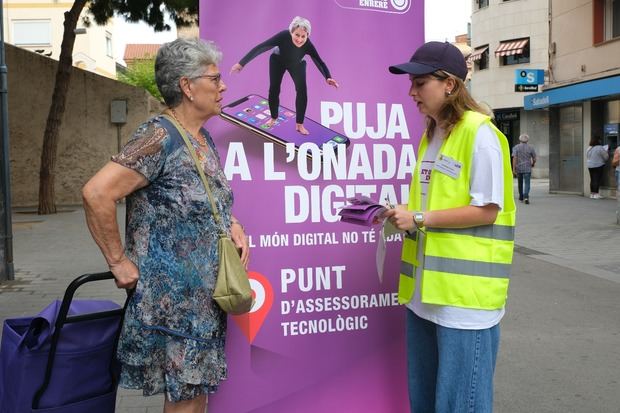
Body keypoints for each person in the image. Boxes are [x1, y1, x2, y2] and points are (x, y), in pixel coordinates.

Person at [82, 38, 249, 413]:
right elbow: (96, 193)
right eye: (215, 79)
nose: (223, 87)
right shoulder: (159, 137)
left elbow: (204, 197)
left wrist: (231, 222)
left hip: (203, 300)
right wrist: (118, 261)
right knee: (186, 401)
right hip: (173, 304)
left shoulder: (201, 138)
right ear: (188, 87)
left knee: (194, 396)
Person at [383, 41, 516, 413]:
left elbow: (487, 210)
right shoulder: (432, 135)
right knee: (425, 403)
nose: (411, 92)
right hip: (426, 296)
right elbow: (435, 202)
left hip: (465, 302)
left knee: (462, 405)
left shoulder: (481, 135)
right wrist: (405, 212)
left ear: (450, 85)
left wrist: (420, 218)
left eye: (420, 82)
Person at [230, 16, 339, 135]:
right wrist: (241, 63)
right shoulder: (283, 36)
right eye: (297, 35)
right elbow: (262, 47)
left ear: (307, 36)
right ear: (291, 32)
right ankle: (273, 118)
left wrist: (327, 77)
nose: (300, 39)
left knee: (302, 91)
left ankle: (299, 124)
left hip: (297, 64)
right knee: (274, 89)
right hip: (278, 60)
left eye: (303, 36)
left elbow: (319, 61)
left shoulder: (308, 44)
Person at [512, 133, 537, 204]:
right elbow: (534, 158)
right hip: (527, 167)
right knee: (527, 183)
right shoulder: (531, 147)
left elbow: (514, 158)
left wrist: (513, 168)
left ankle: (521, 196)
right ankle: (526, 196)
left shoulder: (516, 147)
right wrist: (533, 163)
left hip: (519, 168)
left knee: (520, 183)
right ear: (527, 140)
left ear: (520, 139)